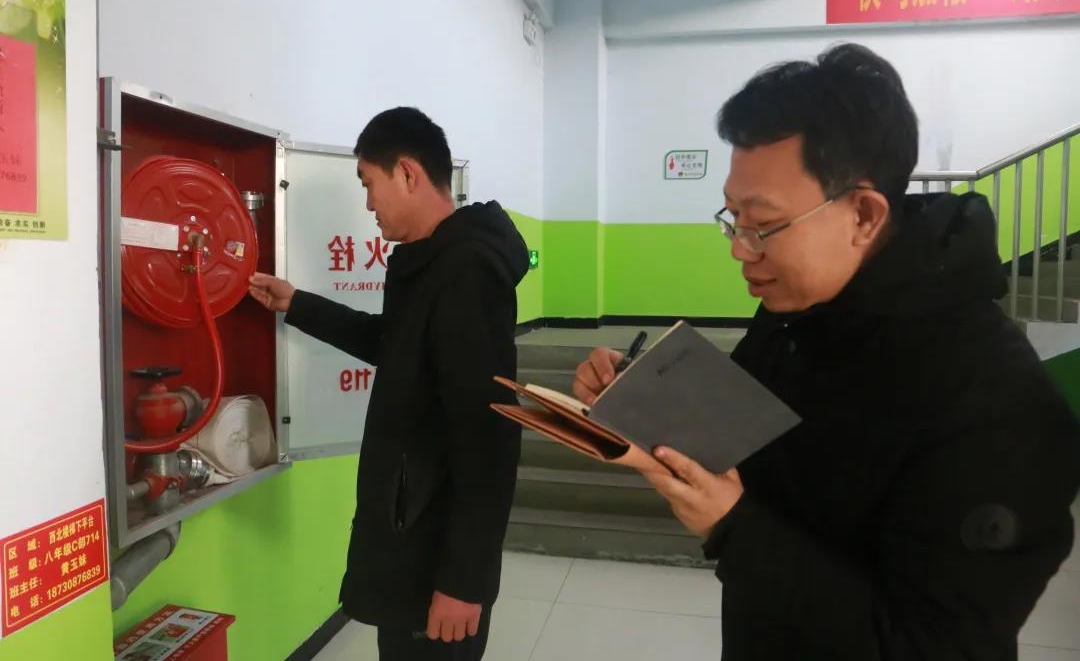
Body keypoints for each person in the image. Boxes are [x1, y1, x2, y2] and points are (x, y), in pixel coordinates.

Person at [573, 44, 1080, 660]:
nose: (739, 249)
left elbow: (937, 644)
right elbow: (745, 437)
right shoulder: (795, 313)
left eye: (763, 224)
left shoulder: (998, 400)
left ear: (864, 214)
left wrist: (733, 527)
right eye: (733, 217)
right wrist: (642, 394)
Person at [249, 107, 528, 660]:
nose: (368, 204)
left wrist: (464, 580)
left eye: (368, 184)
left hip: (435, 548)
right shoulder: (429, 261)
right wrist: (298, 304)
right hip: (410, 529)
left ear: (407, 173)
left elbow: (489, 434)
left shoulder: (465, 270)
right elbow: (394, 345)